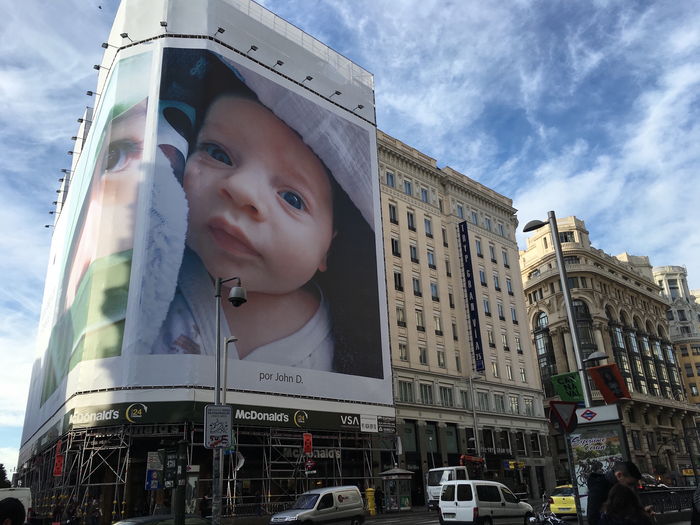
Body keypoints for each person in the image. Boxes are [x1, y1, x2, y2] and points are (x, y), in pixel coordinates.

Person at [150, 48, 382, 377]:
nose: (242, 188)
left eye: (292, 198)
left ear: (328, 247)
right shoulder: (156, 272)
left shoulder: (348, 344)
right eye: (218, 153)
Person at [587, 460, 642, 525]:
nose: (631, 488)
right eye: (629, 484)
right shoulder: (599, 488)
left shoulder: (618, 487)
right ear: (619, 475)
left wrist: (641, 513)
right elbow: (593, 520)